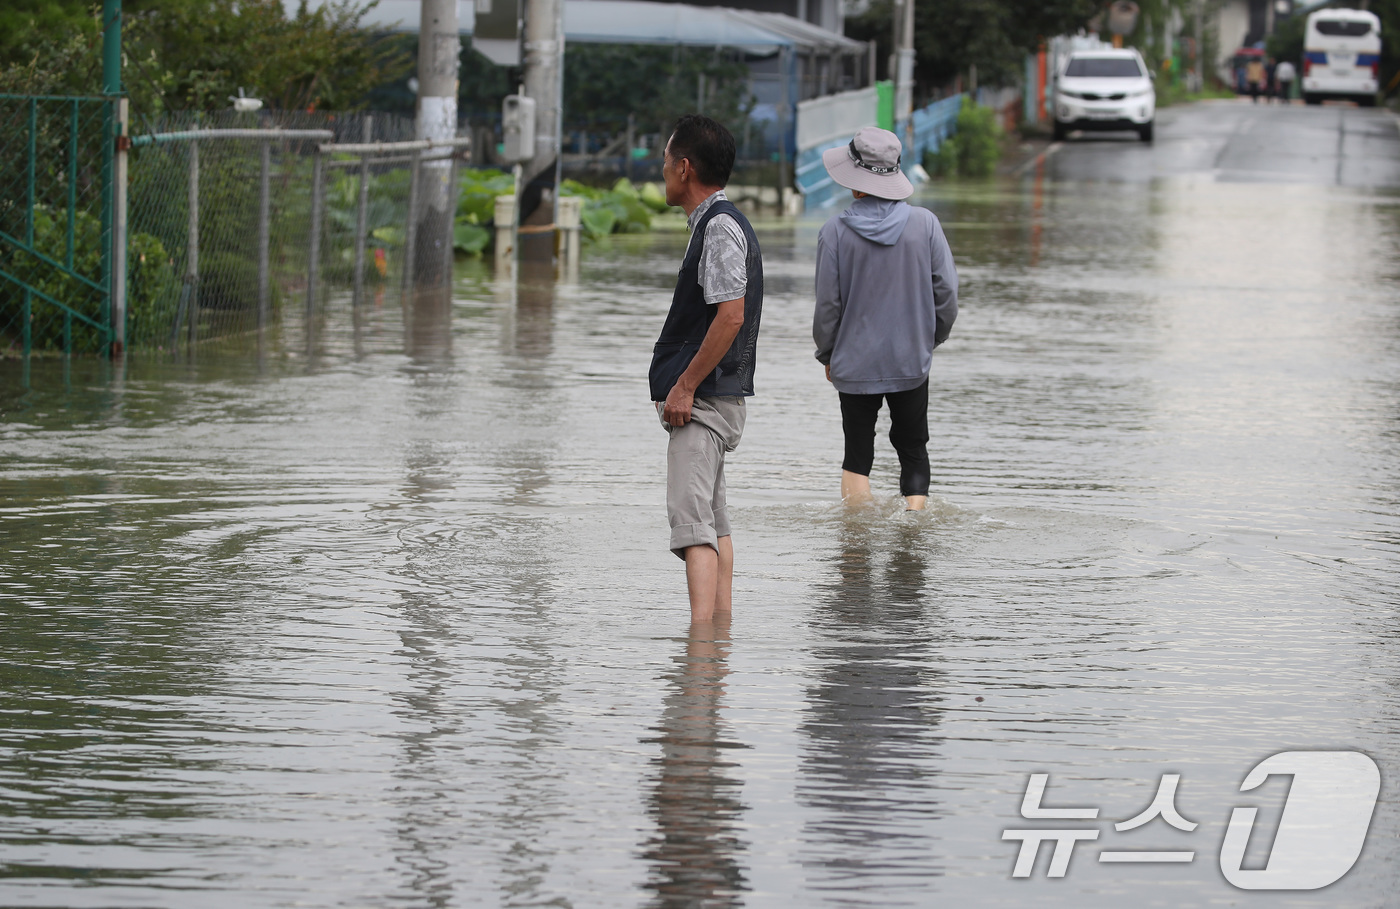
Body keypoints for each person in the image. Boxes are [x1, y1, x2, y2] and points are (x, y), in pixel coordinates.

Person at [649, 114, 763, 623]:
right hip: (720, 398)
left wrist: (684, 387)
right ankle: (717, 642)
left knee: (692, 524)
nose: (664, 169)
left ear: (685, 168)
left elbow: (731, 314)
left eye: (667, 160)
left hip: (704, 403)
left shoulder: (718, 227)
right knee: (715, 524)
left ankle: (698, 653)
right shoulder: (724, 223)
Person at [813, 126, 958, 512]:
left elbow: (828, 305)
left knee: (857, 454)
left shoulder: (834, 233)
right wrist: (929, 340)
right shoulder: (925, 225)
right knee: (913, 449)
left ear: (854, 182)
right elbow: (947, 295)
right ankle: (914, 530)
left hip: (854, 363)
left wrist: (827, 354)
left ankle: (856, 554)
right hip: (910, 359)